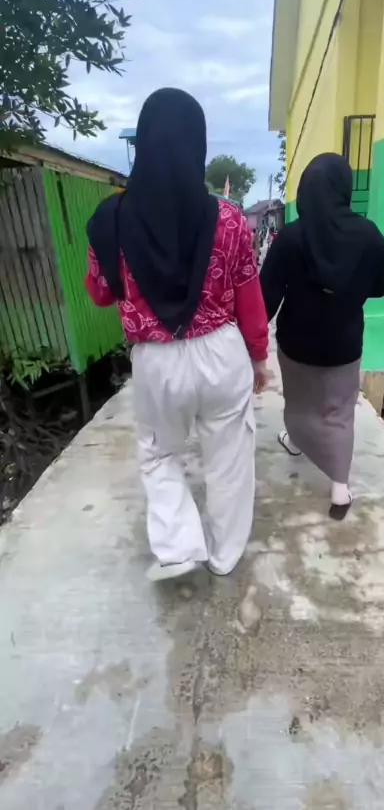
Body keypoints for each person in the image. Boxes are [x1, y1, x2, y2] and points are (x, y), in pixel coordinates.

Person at [86, 88, 270, 581]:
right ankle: (225, 555)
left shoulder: (109, 219)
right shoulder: (229, 220)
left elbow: (101, 293)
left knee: (158, 453)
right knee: (229, 458)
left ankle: (178, 547)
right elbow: (249, 296)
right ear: (198, 145)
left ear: (143, 143)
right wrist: (258, 357)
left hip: (156, 360)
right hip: (222, 352)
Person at [260, 153, 384, 520]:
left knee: (299, 405)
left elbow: (266, 298)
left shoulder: (291, 237)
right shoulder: (369, 235)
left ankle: (295, 440)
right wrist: (352, 290)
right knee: (339, 413)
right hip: (345, 344)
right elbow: (383, 285)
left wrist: (249, 340)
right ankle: (339, 488)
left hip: (296, 344)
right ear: (344, 188)